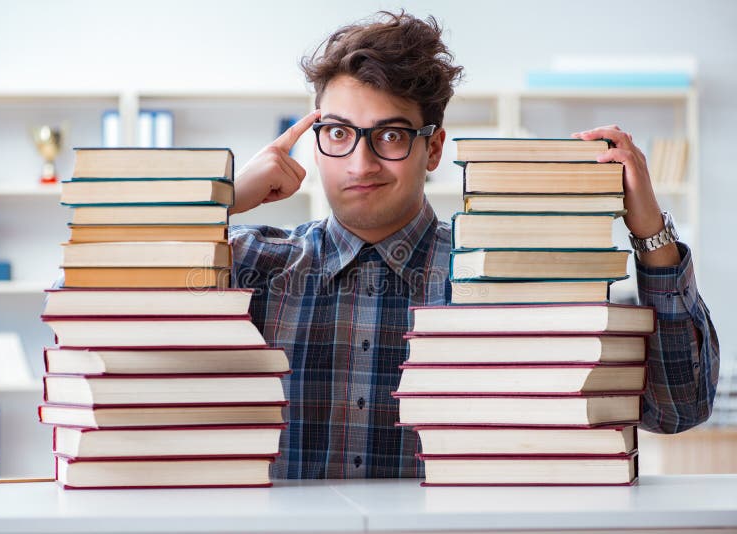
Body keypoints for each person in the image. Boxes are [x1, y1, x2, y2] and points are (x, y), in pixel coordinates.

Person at [229, 11, 719, 479]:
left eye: (391, 135)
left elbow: (678, 410)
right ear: (315, 142)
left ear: (434, 148)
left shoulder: (510, 273)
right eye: (338, 133)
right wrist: (221, 200)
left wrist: (651, 232)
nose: (361, 164)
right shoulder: (251, 264)